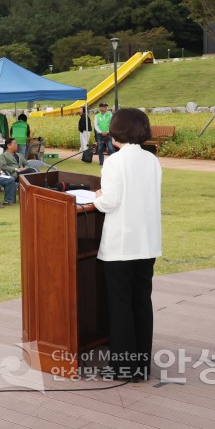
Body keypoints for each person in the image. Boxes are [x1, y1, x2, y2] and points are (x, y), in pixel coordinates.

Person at [93, 108, 162, 381]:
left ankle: (123, 367)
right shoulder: (151, 159)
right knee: (141, 302)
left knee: (120, 305)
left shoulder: (115, 161)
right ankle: (141, 366)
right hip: (147, 243)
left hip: (122, 245)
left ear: (116, 131)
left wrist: (98, 196)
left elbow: (109, 202)